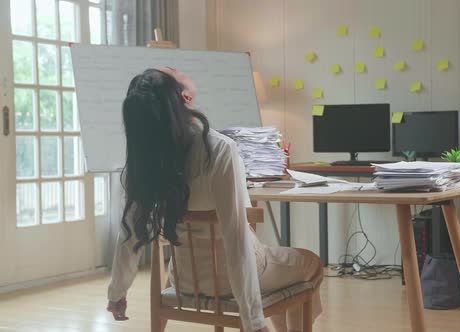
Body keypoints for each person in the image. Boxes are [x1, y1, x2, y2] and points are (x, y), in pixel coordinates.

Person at [106, 68, 323, 332]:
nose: (179, 70)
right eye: (174, 73)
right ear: (182, 100)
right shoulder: (218, 149)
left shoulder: (142, 165)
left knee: (284, 272)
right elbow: (236, 239)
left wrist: (116, 292)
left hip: (184, 279)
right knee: (310, 262)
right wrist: (253, 320)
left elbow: (128, 234)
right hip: (233, 278)